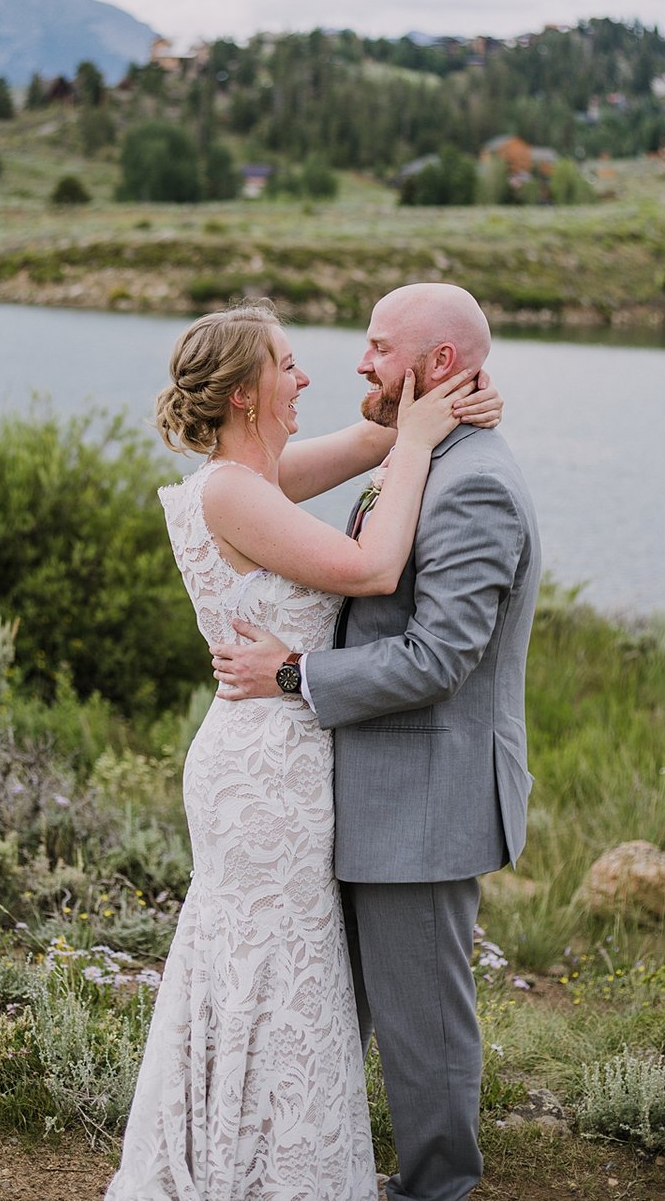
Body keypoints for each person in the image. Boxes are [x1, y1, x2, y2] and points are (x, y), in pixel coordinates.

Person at [104, 297, 503, 1201]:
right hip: (265, 770)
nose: (307, 376)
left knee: (278, 963)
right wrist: (414, 440)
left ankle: (251, 1156)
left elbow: (370, 445)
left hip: (279, 754)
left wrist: (435, 409)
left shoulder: (256, 476)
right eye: (287, 363)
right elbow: (372, 572)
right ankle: (254, 1170)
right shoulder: (235, 490)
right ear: (247, 392)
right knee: (275, 967)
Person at [211, 283, 541, 1201]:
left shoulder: (473, 484)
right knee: (338, 1012)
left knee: (423, 1025)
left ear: (439, 365)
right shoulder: (422, 451)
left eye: (377, 345)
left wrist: (291, 675)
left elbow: (439, 658)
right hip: (366, 791)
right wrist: (407, 431)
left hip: (424, 798)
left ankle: (439, 1191)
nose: (358, 361)